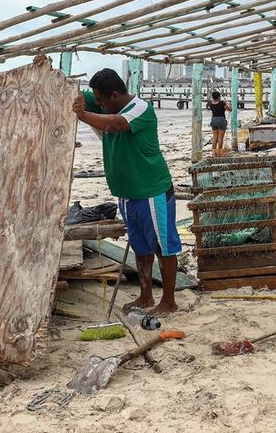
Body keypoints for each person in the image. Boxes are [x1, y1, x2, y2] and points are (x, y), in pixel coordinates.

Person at [36, 57, 181, 316]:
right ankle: (146, 296)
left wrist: (83, 115)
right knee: (141, 248)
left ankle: (169, 301)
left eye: (101, 101)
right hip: (127, 194)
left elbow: (116, 124)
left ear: (114, 95)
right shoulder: (105, 102)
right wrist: (51, 75)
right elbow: (73, 94)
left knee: (163, 247)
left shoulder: (141, 109)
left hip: (151, 192)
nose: (99, 104)